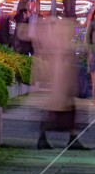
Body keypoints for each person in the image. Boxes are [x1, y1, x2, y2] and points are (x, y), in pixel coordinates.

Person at [33, 16, 88, 150]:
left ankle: (52, 137)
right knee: (62, 110)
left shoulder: (59, 34)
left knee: (64, 109)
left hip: (63, 79)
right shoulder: (68, 35)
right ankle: (64, 138)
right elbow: (79, 49)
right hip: (63, 79)